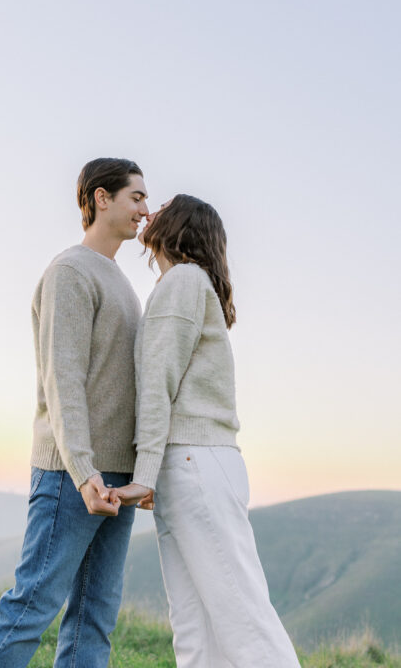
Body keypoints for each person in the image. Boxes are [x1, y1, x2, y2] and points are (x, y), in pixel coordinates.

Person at [0, 157, 150, 668]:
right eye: (136, 196)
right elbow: (62, 380)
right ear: (100, 198)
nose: (145, 209)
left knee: (95, 615)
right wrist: (83, 469)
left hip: (116, 474)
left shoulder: (120, 282)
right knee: (32, 606)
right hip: (74, 472)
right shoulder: (70, 271)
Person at [111, 194, 301, 668]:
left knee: (244, 621)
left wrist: (146, 472)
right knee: (196, 631)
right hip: (197, 464)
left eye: (163, 206)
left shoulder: (181, 282)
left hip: (194, 461)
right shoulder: (193, 286)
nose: (149, 210)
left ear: (176, 225)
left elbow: (158, 384)